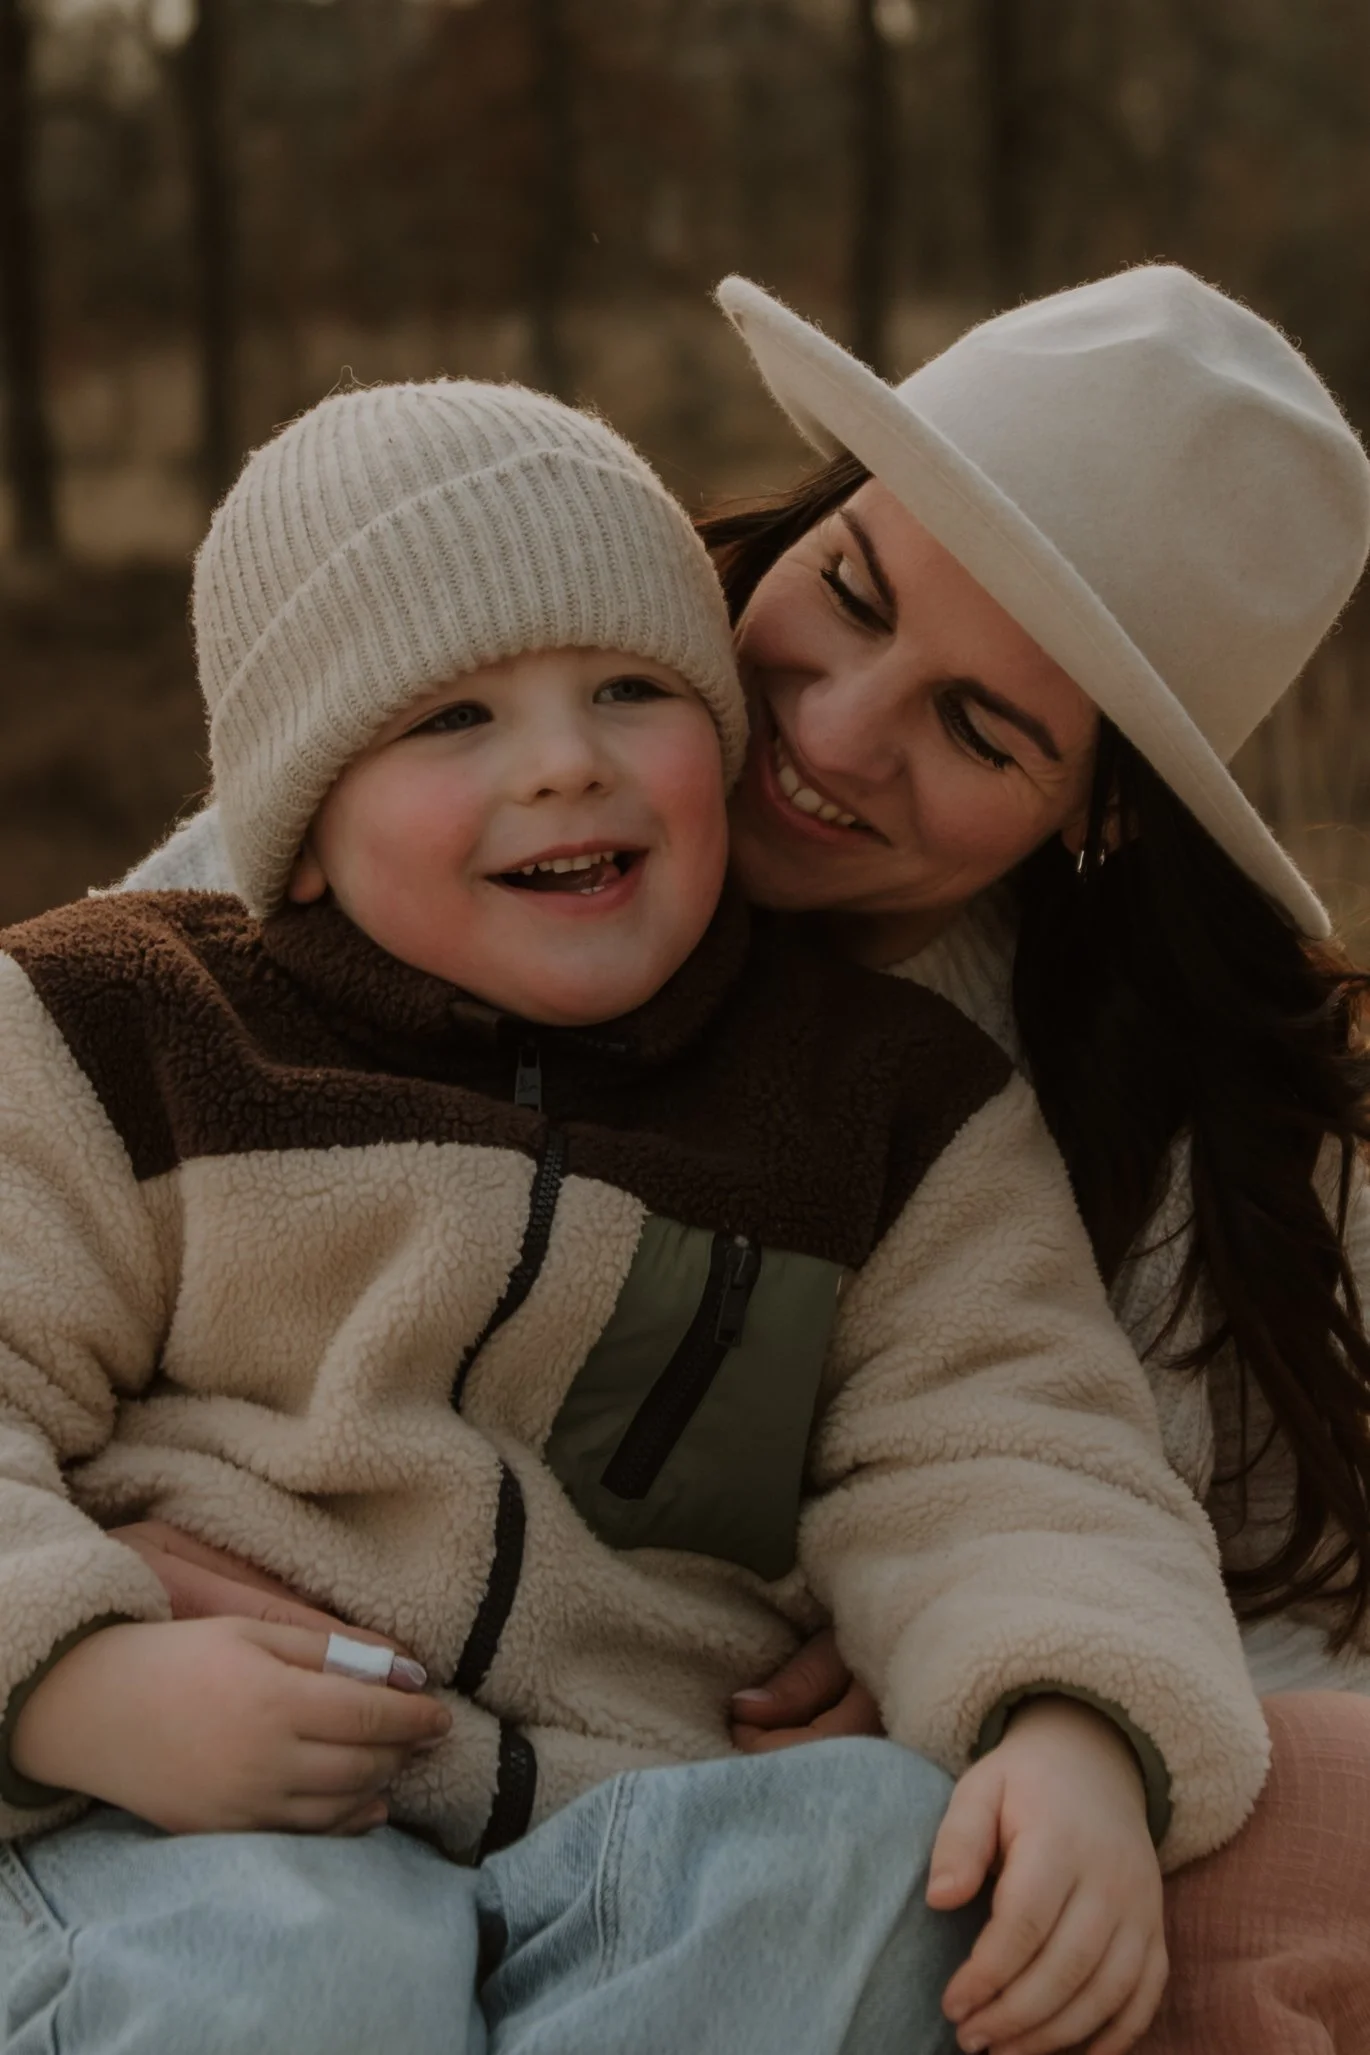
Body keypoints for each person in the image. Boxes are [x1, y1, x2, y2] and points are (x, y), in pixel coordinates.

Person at [0, 377, 1268, 2055]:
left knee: (884, 1851)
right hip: (205, 1807)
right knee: (300, 1970)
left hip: (637, 1826)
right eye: (449, 718)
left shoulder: (892, 1108)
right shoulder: (126, 1027)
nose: (564, 764)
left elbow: (1006, 1448)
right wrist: (76, 1686)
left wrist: (1071, 1720)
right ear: (297, 822)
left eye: (626, 687)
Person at [696, 266, 1370, 2053]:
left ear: (1104, 812)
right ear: (823, 507)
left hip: (889, 1854)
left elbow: (1302, 1616)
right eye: (847, 591)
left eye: (982, 729)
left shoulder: (1161, 1132)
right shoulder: (454, 738)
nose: (832, 733)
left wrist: (1029, 1695)